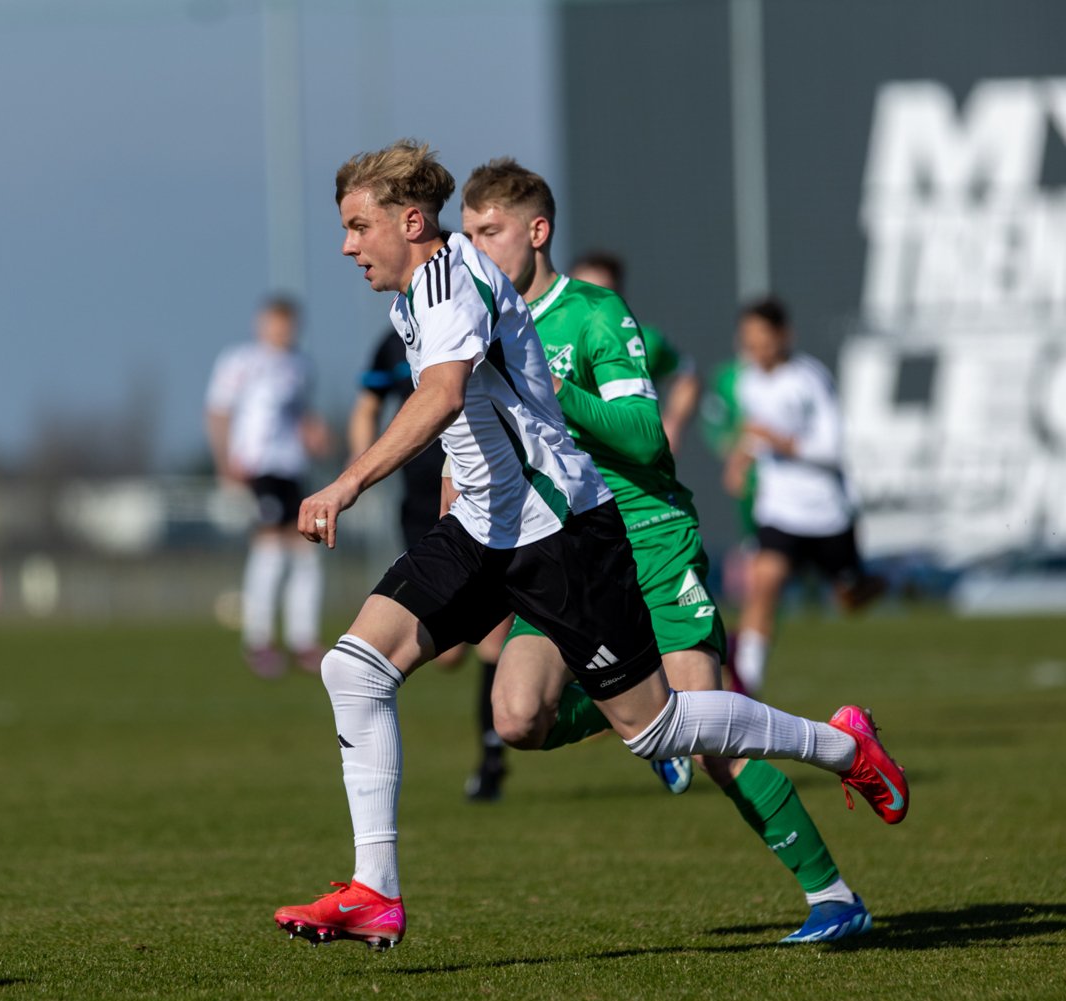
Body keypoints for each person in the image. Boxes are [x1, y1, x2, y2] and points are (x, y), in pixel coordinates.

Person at [271, 140, 908, 951]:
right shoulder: (421, 294)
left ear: (410, 221)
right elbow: (467, 413)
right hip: (486, 529)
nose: (347, 246)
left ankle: (844, 745)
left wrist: (343, 482)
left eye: (358, 227)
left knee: (657, 727)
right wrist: (453, 487)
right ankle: (375, 891)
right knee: (361, 668)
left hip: (560, 532)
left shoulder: (458, 280)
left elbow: (444, 394)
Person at [459, 158, 871, 942]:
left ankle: (836, 897)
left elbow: (646, 438)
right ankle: (639, 717)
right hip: (561, 552)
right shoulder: (482, 326)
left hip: (648, 538)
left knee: (712, 742)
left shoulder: (593, 313)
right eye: (469, 235)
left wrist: (545, 386)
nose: (477, 250)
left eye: (491, 232)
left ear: (537, 232)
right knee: (517, 717)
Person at [348, 334, 512, 801]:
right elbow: (366, 407)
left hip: (478, 498)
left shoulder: (464, 325)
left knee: (494, 633)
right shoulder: (387, 344)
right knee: (448, 653)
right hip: (418, 506)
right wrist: (361, 470)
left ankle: (492, 758)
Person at [724, 298, 886, 695]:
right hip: (780, 509)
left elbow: (832, 449)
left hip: (826, 512)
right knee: (764, 584)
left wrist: (776, 441)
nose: (756, 349)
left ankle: (875, 582)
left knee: (850, 600)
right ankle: (746, 686)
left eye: (763, 340)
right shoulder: (747, 381)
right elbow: (753, 434)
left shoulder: (810, 379)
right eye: (749, 341)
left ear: (784, 336)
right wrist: (741, 458)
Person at [205, 295, 331, 677]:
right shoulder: (241, 361)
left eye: (288, 324)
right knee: (271, 544)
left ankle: (303, 639)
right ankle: (258, 640)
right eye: (276, 322)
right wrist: (225, 460)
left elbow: (297, 413)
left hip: (292, 465)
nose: (282, 330)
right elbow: (218, 411)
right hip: (258, 465)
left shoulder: (301, 365)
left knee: (306, 550)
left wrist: (313, 432)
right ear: (262, 324)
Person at [568, 251, 701, 455]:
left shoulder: (643, 340)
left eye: (600, 294)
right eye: (582, 292)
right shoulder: (546, 337)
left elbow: (686, 378)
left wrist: (672, 423)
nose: (590, 303)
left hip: (626, 463)